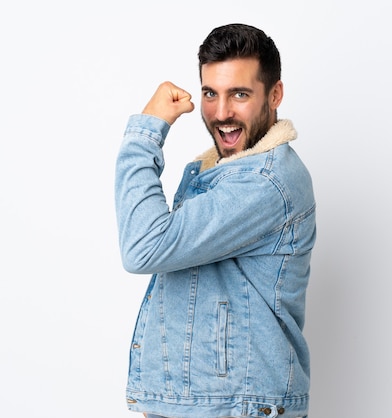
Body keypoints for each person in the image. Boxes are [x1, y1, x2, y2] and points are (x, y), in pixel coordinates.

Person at [115, 23, 316, 418]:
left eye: (239, 94)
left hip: (232, 407)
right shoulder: (224, 173)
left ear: (274, 94)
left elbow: (143, 247)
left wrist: (146, 131)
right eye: (211, 93)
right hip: (211, 404)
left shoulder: (264, 182)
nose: (222, 113)